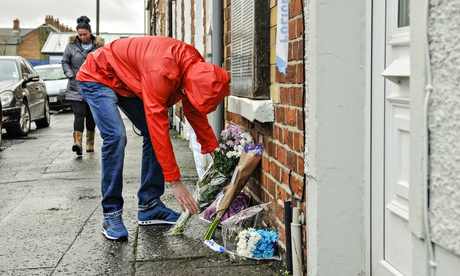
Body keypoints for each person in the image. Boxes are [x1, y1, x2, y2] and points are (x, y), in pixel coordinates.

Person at [76, 36, 230, 241]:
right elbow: (158, 126)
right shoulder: (161, 72)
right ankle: (111, 214)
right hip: (98, 75)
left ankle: (149, 206)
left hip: (128, 80)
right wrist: (175, 182)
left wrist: (219, 161)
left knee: (151, 132)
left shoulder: (197, 68)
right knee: (116, 136)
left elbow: (195, 112)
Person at [62, 16, 104, 155]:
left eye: (84, 34)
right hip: (75, 86)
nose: (82, 37)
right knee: (79, 114)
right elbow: (65, 62)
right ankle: (77, 143)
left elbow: (105, 63)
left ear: (90, 32)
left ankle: (90, 143)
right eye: (79, 35)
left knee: (91, 115)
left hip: (93, 87)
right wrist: (71, 75)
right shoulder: (71, 46)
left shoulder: (99, 46)